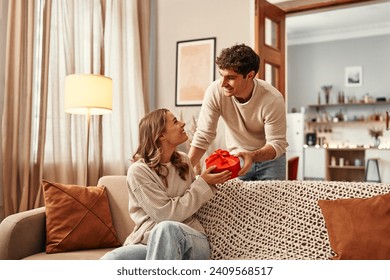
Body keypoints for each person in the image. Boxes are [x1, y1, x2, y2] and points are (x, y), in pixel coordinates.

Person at [101, 108, 231, 260]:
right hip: (148, 242)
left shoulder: (183, 161)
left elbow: (171, 219)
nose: (182, 124)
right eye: (175, 122)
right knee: (110, 261)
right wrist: (201, 184)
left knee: (167, 228)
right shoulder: (139, 172)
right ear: (161, 134)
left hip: (191, 239)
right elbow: (166, 214)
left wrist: (207, 182)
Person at [188, 43, 288, 181]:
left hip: (271, 161)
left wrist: (252, 156)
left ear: (250, 75)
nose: (223, 83)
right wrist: (184, 171)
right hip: (236, 159)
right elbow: (204, 136)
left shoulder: (272, 98)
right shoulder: (216, 91)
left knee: (274, 203)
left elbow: (277, 143)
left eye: (231, 77)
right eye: (221, 76)